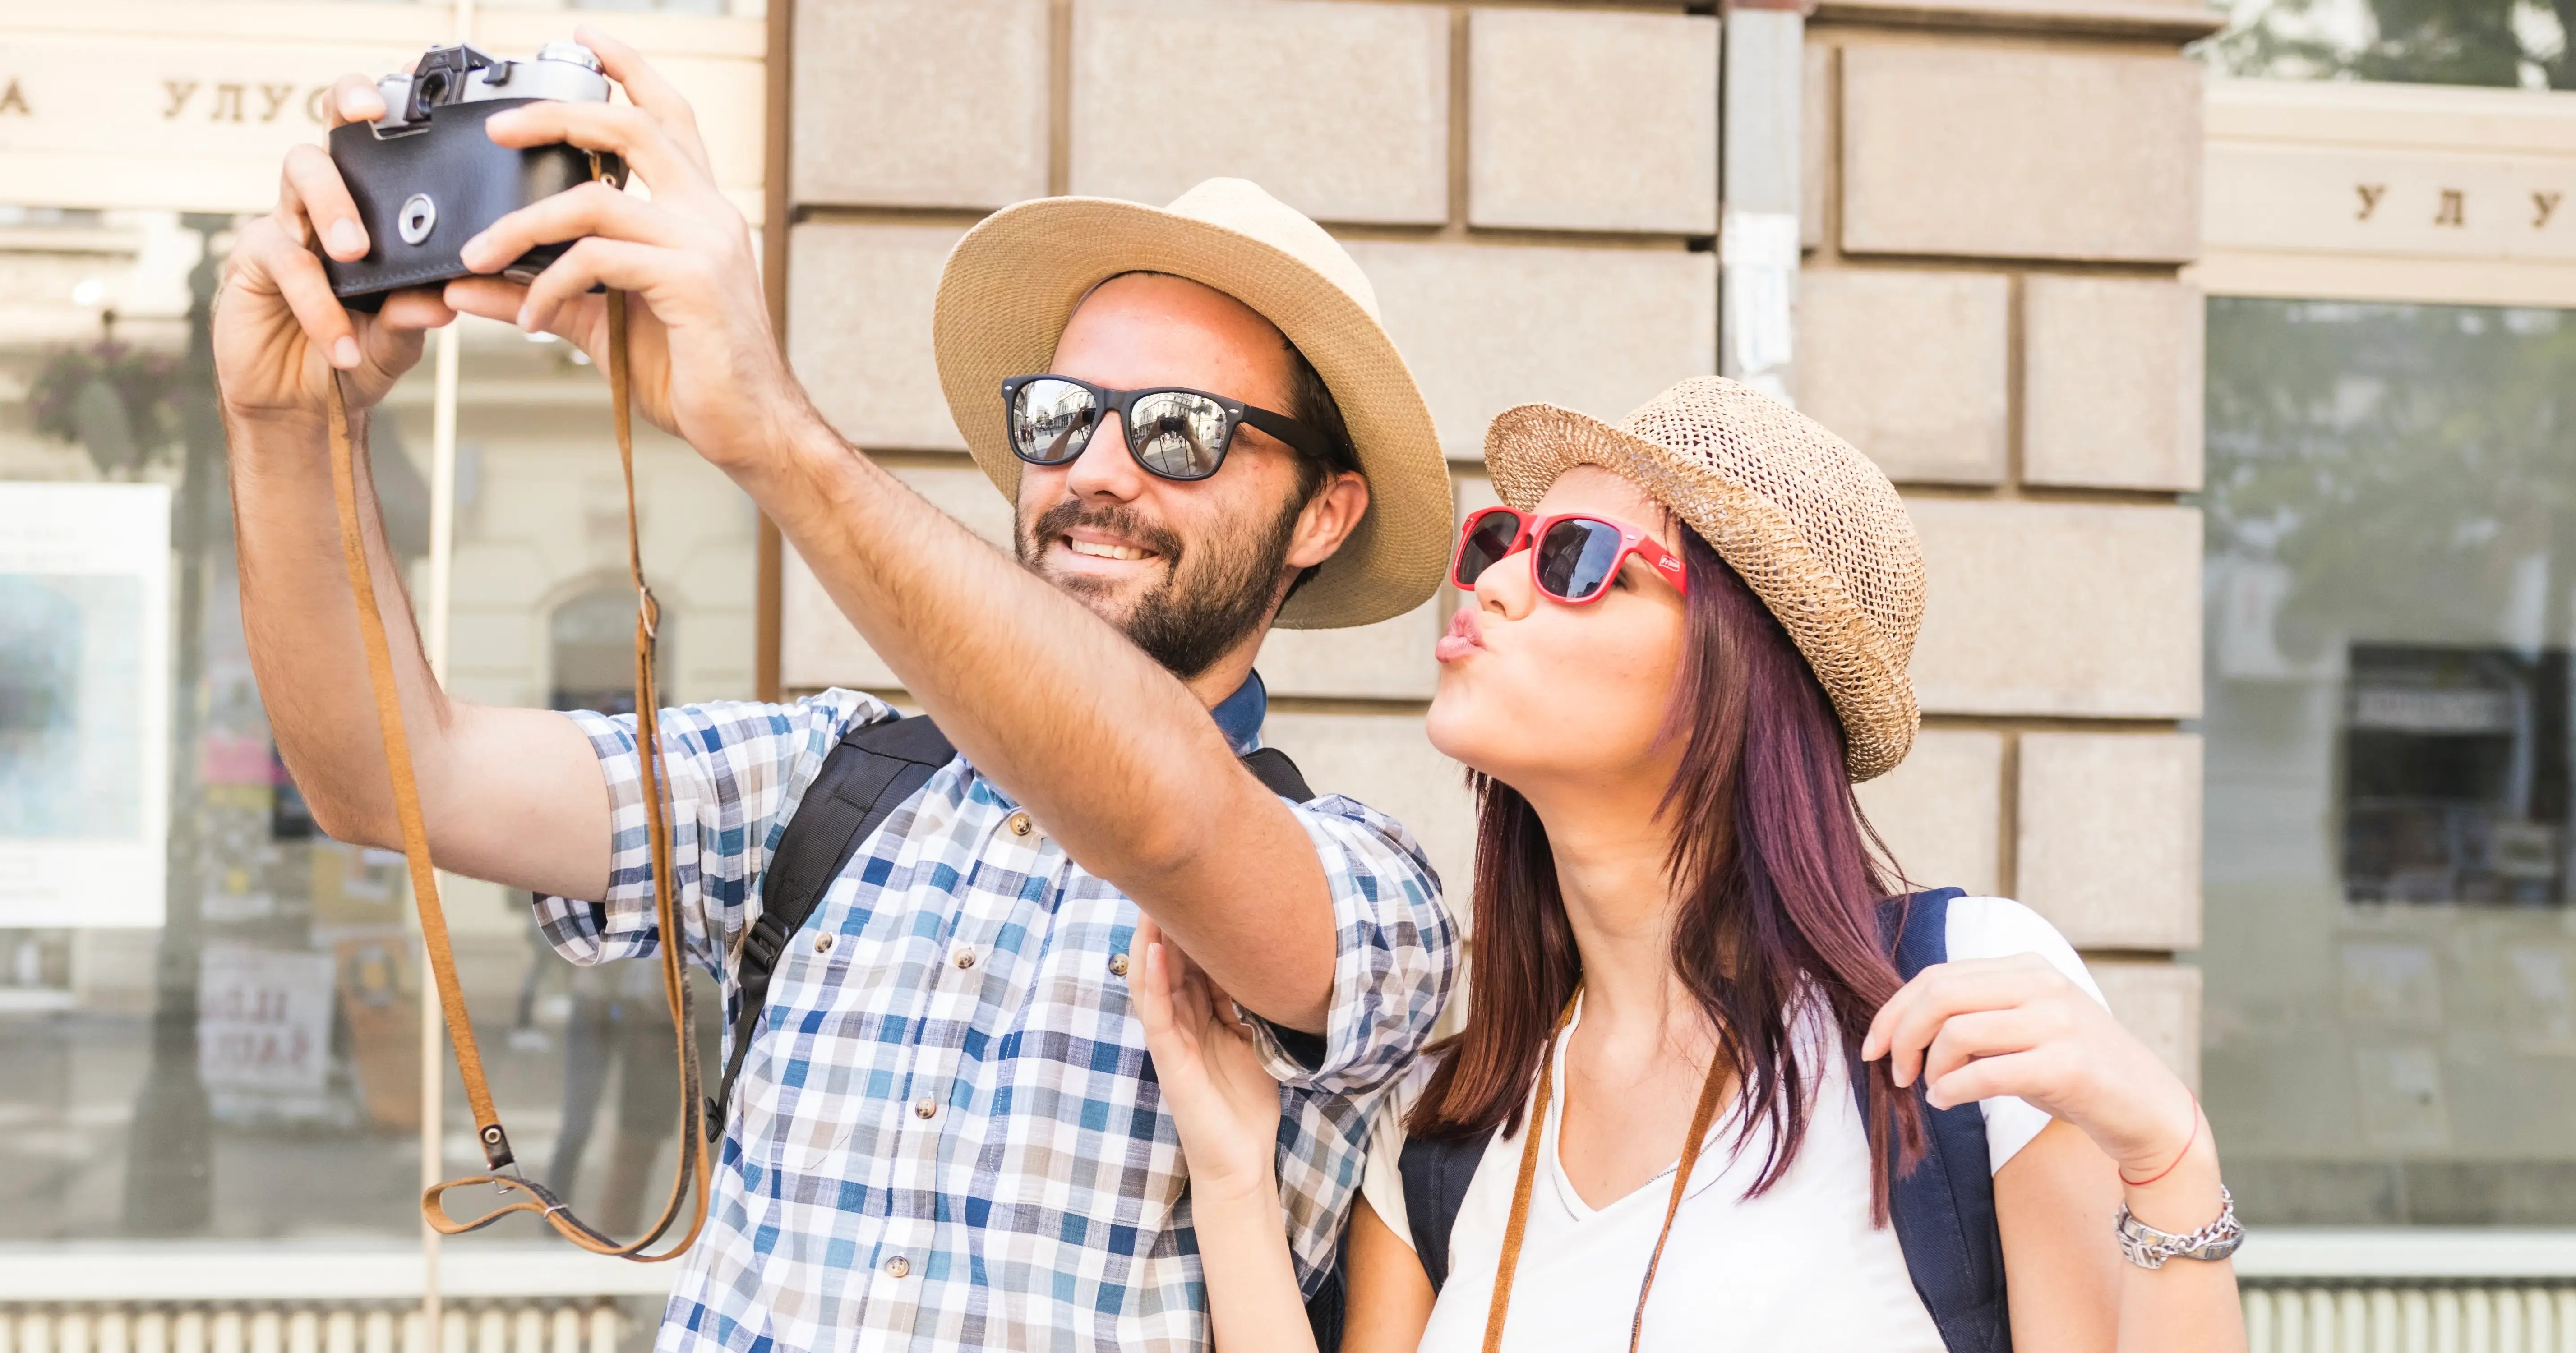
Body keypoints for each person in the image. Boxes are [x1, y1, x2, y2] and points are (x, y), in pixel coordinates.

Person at [212, 29, 1458, 1352]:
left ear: (1324, 514)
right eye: (1057, 416)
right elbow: (391, 776)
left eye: (1180, 430)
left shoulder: (1373, 888)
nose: (1099, 470)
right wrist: (290, 428)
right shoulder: (831, 776)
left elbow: (1166, 822)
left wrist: (767, 428)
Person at [1131, 378, 2248, 1351]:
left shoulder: (1953, 1010)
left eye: (1574, 560)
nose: (1495, 585)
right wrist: (1233, 1182)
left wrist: (2167, 1159)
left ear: (1736, 665)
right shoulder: (1444, 1123)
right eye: (1500, 544)